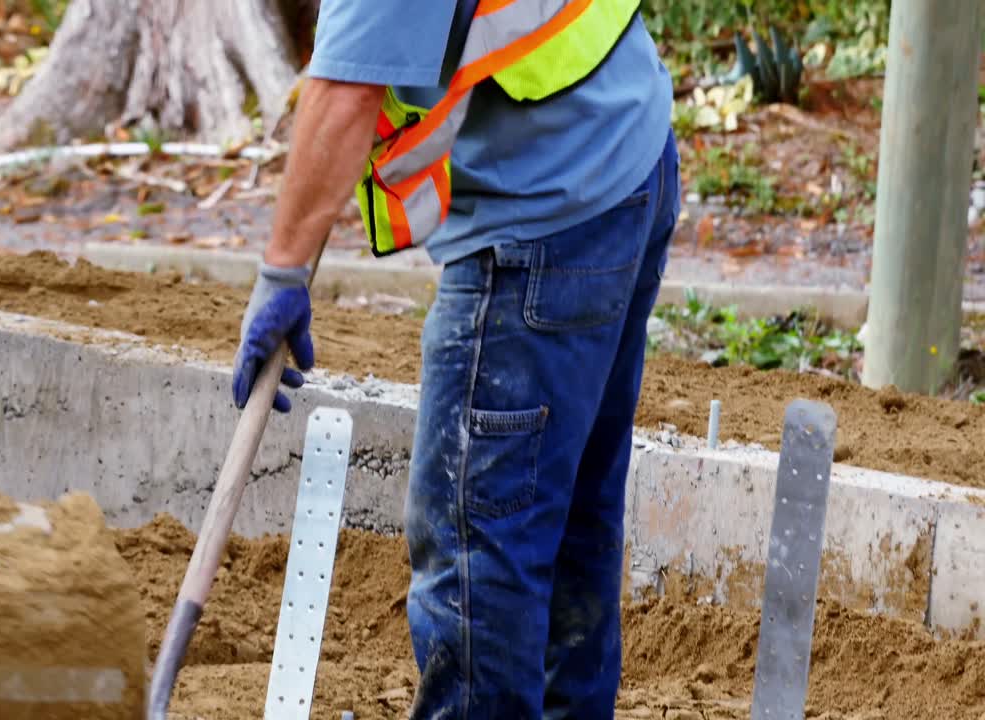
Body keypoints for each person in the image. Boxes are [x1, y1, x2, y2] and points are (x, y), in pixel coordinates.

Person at [231, 0, 680, 717]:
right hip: (626, 152)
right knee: (571, 528)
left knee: (478, 555)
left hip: (543, 216)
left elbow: (346, 94)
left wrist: (281, 274)